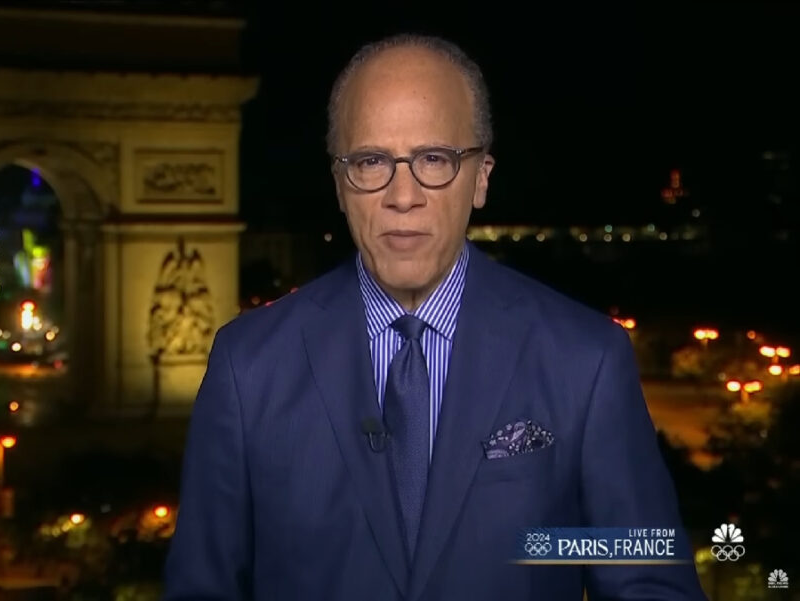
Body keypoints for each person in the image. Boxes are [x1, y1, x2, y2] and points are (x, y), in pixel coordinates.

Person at [163, 33, 707, 601]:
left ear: (482, 178)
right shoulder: (247, 367)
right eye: (371, 161)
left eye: (434, 160)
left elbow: (650, 584)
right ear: (340, 186)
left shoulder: (586, 360)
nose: (404, 195)